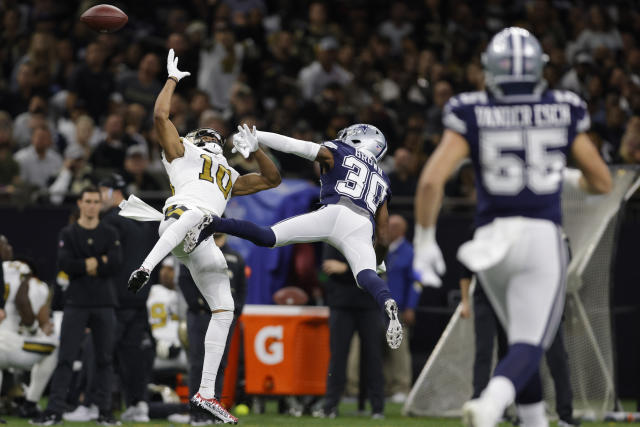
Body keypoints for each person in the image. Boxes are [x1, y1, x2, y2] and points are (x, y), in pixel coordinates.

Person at [412, 27, 612, 427]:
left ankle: (532, 420)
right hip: (540, 237)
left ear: (490, 69)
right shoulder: (563, 105)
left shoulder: (471, 108)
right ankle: (489, 405)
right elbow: (602, 182)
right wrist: (568, 178)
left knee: (517, 341)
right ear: (539, 67)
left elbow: (432, 180)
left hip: (489, 242)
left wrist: (425, 239)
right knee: (529, 345)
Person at [122, 49, 280, 424]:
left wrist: (257, 149)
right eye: (205, 133)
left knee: (225, 309)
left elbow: (273, 179)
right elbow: (160, 115)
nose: (211, 136)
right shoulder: (183, 152)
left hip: (203, 239)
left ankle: (206, 392)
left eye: (216, 134)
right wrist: (172, 80)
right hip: (178, 219)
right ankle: (144, 267)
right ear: (194, 138)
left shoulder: (227, 176)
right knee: (195, 212)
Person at [185, 123, 403, 350]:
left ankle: (214, 222)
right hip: (361, 226)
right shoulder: (383, 181)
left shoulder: (340, 149)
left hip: (334, 211)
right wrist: (377, 260)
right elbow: (384, 238)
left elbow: (296, 146)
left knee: (268, 236)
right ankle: (387, 301)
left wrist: (258, 137)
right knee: (366, 276)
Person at [31, 186, 123, 426]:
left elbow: (116, 263)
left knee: (104, 359)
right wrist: (97, 261)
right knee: (66, 358)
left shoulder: (110, 231)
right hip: (77, 302)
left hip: (104, 302)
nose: (92, 205)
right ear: (80, 204)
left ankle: (104, 412)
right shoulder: (68, 233)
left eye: (96, 201)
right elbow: (65, 264)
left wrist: (85, 263)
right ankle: (54, 412)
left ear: (99, 205)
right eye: (88, 201)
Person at [460, 271, 580, 427]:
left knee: (543, 356)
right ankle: (496, 407)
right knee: (522, 352)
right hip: (518, 297)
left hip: (543, 299)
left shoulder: (553, 252)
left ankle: (554, 415)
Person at [99, 173, 156, 423]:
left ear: (112, 192)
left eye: (102, 192)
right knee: (134, 356)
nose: (100, 198)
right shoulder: (143, 218)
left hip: (117, 299)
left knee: (103, 354)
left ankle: (97, 405)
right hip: (141, 297)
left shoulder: (110, 220)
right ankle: (138, 403)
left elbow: (110, 262)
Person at [177, 232, 247, 425]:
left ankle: (212, 410)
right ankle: (197, 413)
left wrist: (234, 310)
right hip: (201, 315)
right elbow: (184, 280)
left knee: (220, 364)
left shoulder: (235, 257)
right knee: (198, 362)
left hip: (223, 317)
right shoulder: (195, 250)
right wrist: (200, 305)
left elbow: (241, 288)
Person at [316, 244, 385, 419]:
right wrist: (359, 269)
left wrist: (345, 268)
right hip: (341, 305)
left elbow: (376, 268)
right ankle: (330, 406)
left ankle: (377, 408)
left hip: (368, 305)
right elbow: (329, 267)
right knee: (338, 357)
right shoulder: (334, 237)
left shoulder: (371, 237)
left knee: (373, 357)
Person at [0, 258, 57, 419]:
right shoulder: (28, 278)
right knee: (53, 349)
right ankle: (30, 404)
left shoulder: (4, 269)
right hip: (8, 341)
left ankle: (10, 398)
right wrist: (33, 329)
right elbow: (22, 300)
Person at [384, 215, 420, 403]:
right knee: (381, 348)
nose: (387, 229)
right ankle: (388, 387)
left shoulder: (409, 251)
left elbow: (416, 282)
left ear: (400, 230)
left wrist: (410, 307)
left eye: (391, 226)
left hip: (398, 308)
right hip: (379, 306)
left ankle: (402, 387)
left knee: (398, 348)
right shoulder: (382, 249)